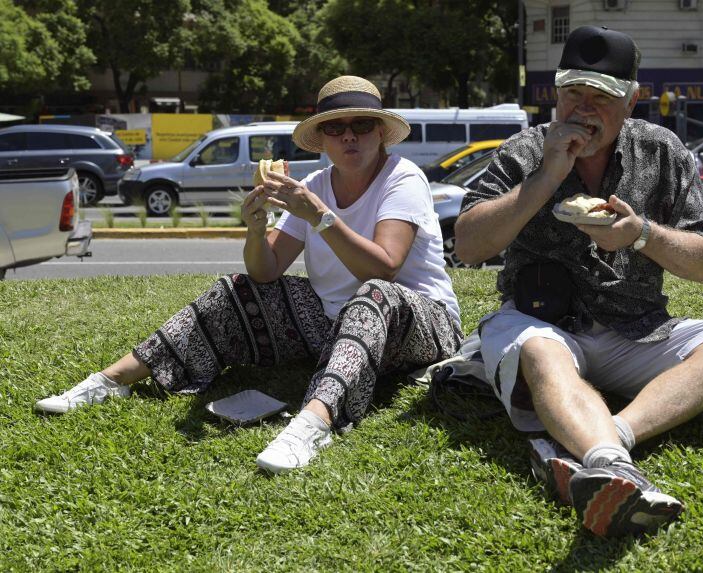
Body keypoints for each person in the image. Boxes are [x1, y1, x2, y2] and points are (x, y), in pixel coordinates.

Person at [35, 75, 463, 474]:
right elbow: (264, 272)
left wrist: (318, 215)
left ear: (380, 133)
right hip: (338, 324)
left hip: (422, 324)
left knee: (373, 293)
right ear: (323, 140)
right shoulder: (313, 184)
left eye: (362, 125)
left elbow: (384, 267)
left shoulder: (401, 178)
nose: (349, 135)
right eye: (335, 128)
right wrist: (256, 230)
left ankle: (313, 423)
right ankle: (112, 380)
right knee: (234, 290)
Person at [454, 26, 703, 538]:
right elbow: (467, 246)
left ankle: (605, 436)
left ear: (632, 100)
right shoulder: (526, 150)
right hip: (539, 321)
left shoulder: (662, 151)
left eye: (602, 96)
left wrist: (640, 235)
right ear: (556, 92)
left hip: (636, 330)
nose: (583, 108)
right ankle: (613, 466)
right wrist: (545, 177)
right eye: (573, 92)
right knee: (543, 352)